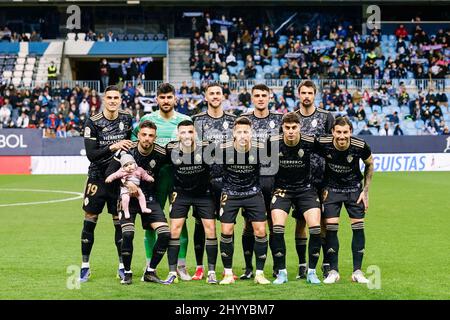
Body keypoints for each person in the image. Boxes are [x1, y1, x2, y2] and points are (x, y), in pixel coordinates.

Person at [131, 83, 192, 281]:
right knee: (150, 224)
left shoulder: (185, 120)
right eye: (162, 98)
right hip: (153, 181)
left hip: (179, 179)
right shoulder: (147, 120)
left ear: (175, 99)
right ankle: (151, 265)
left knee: (179, 224)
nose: (166, 101)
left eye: (169, 97)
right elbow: (133, 143)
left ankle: (181, 266)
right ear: (157, 99)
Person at [105, 120, 171, 285]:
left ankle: (150, 271)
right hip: (127, 196)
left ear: (155, 138)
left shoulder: (161, 153)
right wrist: (128, 184)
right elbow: (110, 173)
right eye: (144, 135)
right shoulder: (126, 150)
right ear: (138, 135)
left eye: (151, 136)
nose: (147, 138)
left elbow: (173, 170)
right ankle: (127, 272)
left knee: (165, 234)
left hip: (148, 197)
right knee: (127, 234)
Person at [79, 85, 133, 283]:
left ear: (120, 100)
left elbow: (130, 146)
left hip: (118, 180)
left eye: (116, 97)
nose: (112, 101)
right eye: (109, 97)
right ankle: (85, 265)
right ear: (104, 100)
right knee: (90, 220)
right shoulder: (92, 122)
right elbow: (91, 155)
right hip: (96, 178)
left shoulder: (126, 119)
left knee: (119, 223)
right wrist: (113, 146)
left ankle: (121, 265)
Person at [315, 116, 374, 284]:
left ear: (351, 132)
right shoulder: (323, 142)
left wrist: (366, 190)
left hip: (353, 190)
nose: (342, 136)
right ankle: (333, 271)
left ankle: (357, 272)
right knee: (331, 228)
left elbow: (370, 163)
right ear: (332, 132)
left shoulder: (360, 145)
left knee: (358, 227)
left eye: (345, 132)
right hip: (331, 190)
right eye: (338, 132)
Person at [190, 83, 236, 281]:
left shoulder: (234, 121)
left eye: (218, 93)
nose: (215, 96)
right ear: (205, 97)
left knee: (228, 225)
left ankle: (228, 269)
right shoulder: (196, 120)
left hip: (228, 180)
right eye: (212, 93)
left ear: (223, 96)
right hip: (204, 180)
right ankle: (200, 267)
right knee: (201, 224)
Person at [270, 112, 322, 284]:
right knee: (277, 228)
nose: (291, 131)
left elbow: (328, 157)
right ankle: (282, 272)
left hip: (305, 189)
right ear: (282, 128)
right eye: (287, 128)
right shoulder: (273, 143)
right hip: (282, 190)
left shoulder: (309, 141)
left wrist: (324, 186)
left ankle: (312, 272)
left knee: (315, 227)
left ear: (299, 127)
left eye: (294, 127)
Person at [164, 120, 218, 284]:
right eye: (183, 132)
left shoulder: (208, 147)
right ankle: (172, 272)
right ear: (178, 134)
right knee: (174, 230)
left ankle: (212, 272)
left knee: (210, 229)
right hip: (181, 193)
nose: (187, 135)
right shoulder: (170, 148)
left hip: (204, 194)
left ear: (195, 133)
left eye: (190, 132)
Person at [218, 116, 270, 285]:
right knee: (226, 231)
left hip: (253, 193)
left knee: (261, 230)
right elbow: (216, 175)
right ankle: (227, 274)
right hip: (230, 193)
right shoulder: (223, 149)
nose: (242, 135)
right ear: (233, 133)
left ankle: (260, 274)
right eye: (239, 132)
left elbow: (267, 174)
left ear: (251, 133)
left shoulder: (260, 149)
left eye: (246, 132)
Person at [239, 84, 282, 280]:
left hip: (273, 178)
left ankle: (276, 267)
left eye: (264, 95)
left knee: (274, 224)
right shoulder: (244, 120)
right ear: (252, 98)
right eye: (257, 95)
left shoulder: (279, 120)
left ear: (270, 97)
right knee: (249, 224)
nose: (261, 98)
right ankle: (248, 267)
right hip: (249, 179)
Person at [294, 80, 334, 279]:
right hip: (300, 181)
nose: (307, 96)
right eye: (303, 92)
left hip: (323, 179)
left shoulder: (326, 117)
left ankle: (326, 264)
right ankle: (302, 265)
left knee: (325, 222)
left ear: (315, 94)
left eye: (310, 92)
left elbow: (332, 147)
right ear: (298, 94)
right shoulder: (292, 118)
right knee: (301, 222)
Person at [105, 154, 154, 219]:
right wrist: (110, 178)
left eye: (131, 164)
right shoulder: (122, 171)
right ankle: (126, 211)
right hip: (125, 189)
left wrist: (149, 178)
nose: (129, 167)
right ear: (123, 167)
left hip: (137, 188)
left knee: (141, 196)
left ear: (134, 163)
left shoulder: (139, 169)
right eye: (126, 166)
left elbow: (145, 175)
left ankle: (144, 208)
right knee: (125, 198)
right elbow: (115, 175)